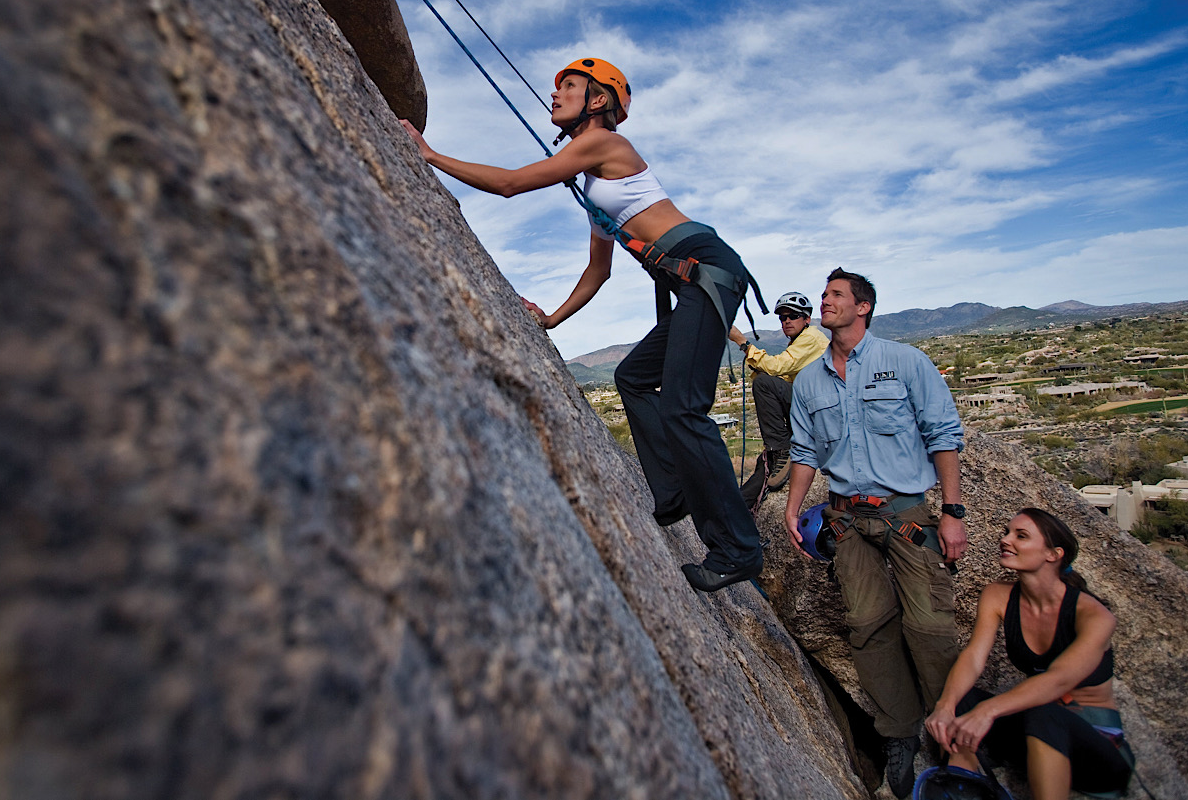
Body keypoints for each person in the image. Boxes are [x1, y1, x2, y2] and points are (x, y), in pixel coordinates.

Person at [401, 57, 763, 592]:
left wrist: (429, 156)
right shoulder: (597, 192)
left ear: (597, 101)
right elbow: (599, 271)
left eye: (568, 86)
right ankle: (674, 492)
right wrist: (552, 318)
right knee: (634, 378)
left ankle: (737, 548)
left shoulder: (603, 146)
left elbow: (510, 185)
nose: (556, 95)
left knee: (685, 407)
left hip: (705, 270)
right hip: (696, 280)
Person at [783, 268, 968, 800]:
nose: (824, 302)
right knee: (867, 627)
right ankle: (899, 735)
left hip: (905, 512)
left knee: (930, 627)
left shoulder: (904, 362)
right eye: (823, 296)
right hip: (847, 521)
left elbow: (942, 433)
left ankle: (950, 730)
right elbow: (804, 452)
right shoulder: (812, 380)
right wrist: (793, 512)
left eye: (835, 295)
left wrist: (952, 511)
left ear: (863, 307)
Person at [925, 508, 1133, 800]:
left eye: (1020, 536)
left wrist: (990, 710)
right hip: (1034, 735)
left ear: (1053, 554)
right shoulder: (998, 595)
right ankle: (968, 786)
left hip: (1096, 752)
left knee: (1044, 713)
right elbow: (973, 657)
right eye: (1007, 532)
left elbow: (1058, 680)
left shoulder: (1094, 616)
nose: (1005, 540)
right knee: (961, 699)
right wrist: (946, 706)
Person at [728, 291, 828, 506]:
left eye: (792, 316)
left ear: (807, 319)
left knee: (764, 383)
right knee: (765, 465)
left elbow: (776, 367)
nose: (787, 321)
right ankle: (738, 507)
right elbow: (778, 374)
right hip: (809, 412)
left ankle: (782, 449)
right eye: (783, 318)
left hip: (816, 413)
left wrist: (743, 343)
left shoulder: (811, 338)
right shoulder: (800, 341)